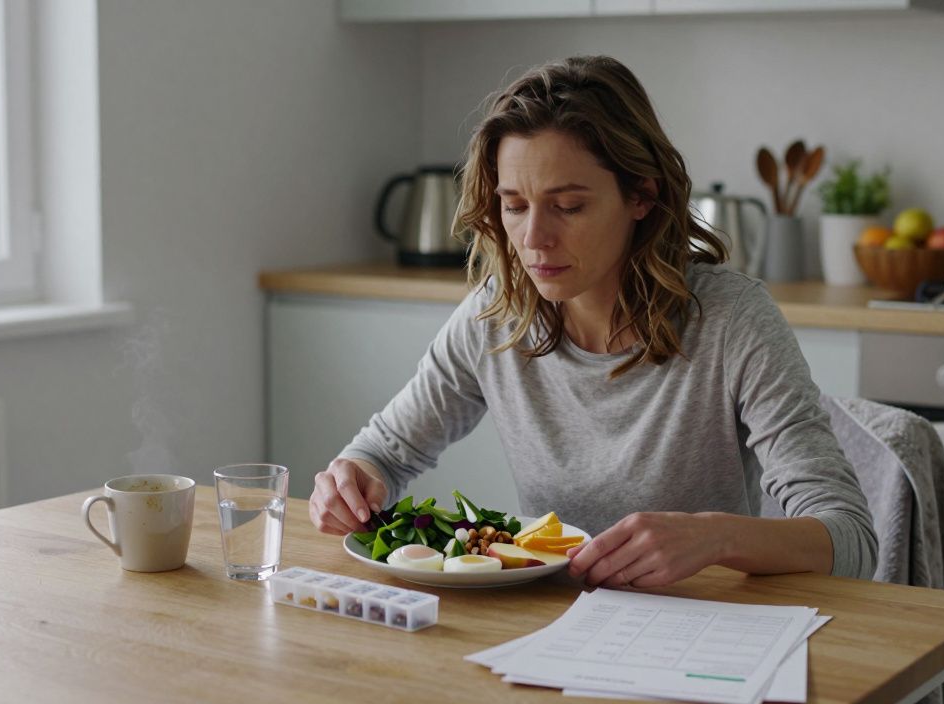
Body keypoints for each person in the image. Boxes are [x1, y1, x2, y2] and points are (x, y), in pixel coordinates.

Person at [309, 55, 877, 588]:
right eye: (515, 205)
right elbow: (385, 453)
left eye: (569, 206)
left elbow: (850, 538)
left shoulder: (732, 320)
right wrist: (351, 480)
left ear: (642, 196)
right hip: (552, 621)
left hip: (701, 621)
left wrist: (714, 536)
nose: (534, 239)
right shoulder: (496, 315)